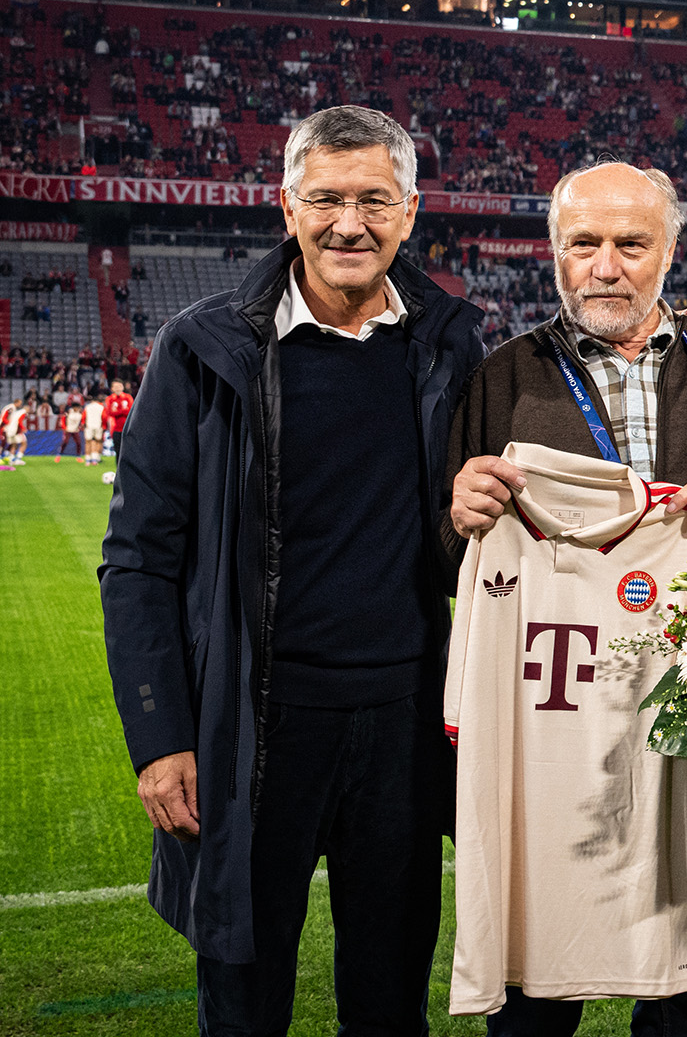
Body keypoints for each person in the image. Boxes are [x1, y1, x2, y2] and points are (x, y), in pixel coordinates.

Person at [99, 104, 492, 1037]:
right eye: (324, 198)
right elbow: (138, 558)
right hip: (252, 725)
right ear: (286, 205)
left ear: (410, 211)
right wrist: (160, 736)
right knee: (242, 1001)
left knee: (392, 1000)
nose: (347, 223)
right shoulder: (203, 347)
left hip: (401, 724)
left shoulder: (452, 342)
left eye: (373, 201)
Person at [443, 161, 687, 1036]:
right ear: (553, 255)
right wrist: (457, 512)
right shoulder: (499, 380)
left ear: (669, 251)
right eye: (583, 244)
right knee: (536, 991)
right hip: (556, 714)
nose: (607, 265)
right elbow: (441, 548)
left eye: (631, 243)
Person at [104, 378, 133, 459]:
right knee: (118, 450)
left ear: (123, 387)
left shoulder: (128, 397)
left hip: (128, 428)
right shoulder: (110, 399)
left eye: (119, 386)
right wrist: (123, 410)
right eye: (115, 386)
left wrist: (118, 411)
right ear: (112, 388)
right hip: (115, 428)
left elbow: (131, 412)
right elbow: (110, 412)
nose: (118, 388)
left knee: (128, 450)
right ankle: (119, 470)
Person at [83, 393, 107, 465]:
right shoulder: (101, 407)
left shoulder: (87, 407)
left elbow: (84, 417)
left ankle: (87, 459)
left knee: (88, 442)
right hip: (98, 426)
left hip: (89, 426)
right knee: (98, 442)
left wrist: (84, 424)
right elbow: (104, 417)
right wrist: (104, 426)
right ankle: (95, 459)